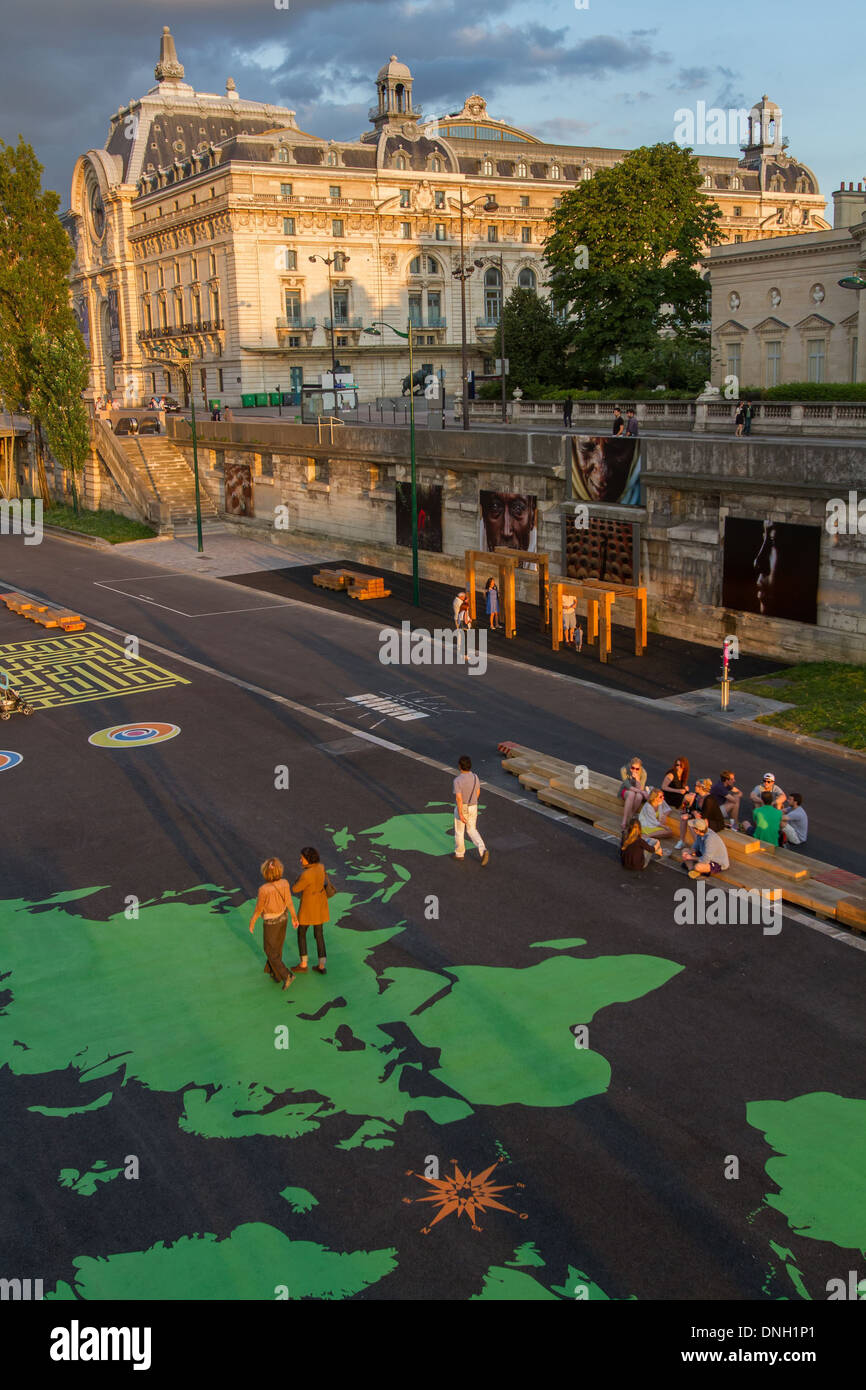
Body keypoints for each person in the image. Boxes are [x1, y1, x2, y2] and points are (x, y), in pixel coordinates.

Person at [249, 857, 298, 990]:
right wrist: (294, 917)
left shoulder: (263, 889)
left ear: (265, 872)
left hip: (271, 922)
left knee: (269, 949)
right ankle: (275, 974)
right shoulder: (285, 883)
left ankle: (286, 974)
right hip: (284, 918)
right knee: (277, 947)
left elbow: (259, 908)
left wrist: (252, 921)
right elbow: (289, 902)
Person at [292, 846, 330, 974]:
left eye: (302, 858)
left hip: (308, 907)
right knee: (319, 934)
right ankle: (322, 965)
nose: (300, 860)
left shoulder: (306, 874)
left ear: (308, 859)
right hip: (320, 905)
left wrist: (299, 877)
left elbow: (295, 889)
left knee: (301, 933)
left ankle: (303, 963)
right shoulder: (321, 867)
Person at [453, 755, 489, 865]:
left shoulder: (457, 780)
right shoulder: (475, 777)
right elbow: (478, 792)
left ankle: (459, 853)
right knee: (472, 829)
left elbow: (459, 798)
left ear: (460, 766)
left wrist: (460, 812)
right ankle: (482, 850)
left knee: (459, 831)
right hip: (473, 806)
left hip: (462, 807)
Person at [676, 777, 724, 847]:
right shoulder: (698, 796)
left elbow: (704, 815)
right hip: (701, 817)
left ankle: (698, 846)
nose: (695, 787)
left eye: (696, 786)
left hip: (714, 822)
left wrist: (692, 815)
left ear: (701, 787)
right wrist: (693, 813)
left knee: (692, 824)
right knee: (684, 818)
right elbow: (692, 809)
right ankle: (682, 840)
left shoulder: (709, 799)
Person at [619, 757, 650, 829]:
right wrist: (642, 792)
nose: (635, 770)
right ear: (630, 766)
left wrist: (637, 779)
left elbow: (640, 788)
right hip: (626, 790)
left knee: (639, 796)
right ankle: (624, 820)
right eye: (633, 768)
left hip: (638, 791)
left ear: (640, 768)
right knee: (631, 794)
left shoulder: (643, 773)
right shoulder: (623, 770)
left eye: (637, 769)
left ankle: (631, 815)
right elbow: (628, 786)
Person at [452, 589, 472, 661]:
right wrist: (469, 621)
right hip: (462, 622)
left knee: (461, 638)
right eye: (464, 597)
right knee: (463, 639)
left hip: (459, 620)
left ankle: (461, 654)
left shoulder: (456, 600)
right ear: (461, 597)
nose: (465, 598)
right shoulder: (459, 603)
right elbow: (464, 615)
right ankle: (463, 654)